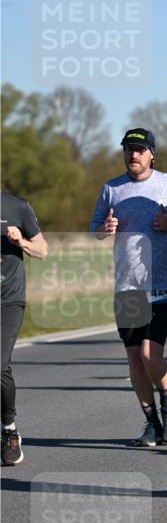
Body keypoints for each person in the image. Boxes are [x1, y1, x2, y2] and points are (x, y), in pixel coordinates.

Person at [90, 129, 167, 447]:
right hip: (128, 284)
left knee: (150, 353)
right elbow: (95, 229)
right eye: (130, 149)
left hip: (162, 280)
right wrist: (105, 229)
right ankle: (151, 422)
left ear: (152, 154)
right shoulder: (111, 188)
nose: (134, 155)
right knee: (134, 359)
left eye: (140, 150)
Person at [1, 192, 48, 466]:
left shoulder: (17, 207)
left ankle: (9, 430)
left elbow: (42, 250)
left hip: (8, 299)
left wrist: (21, 242)